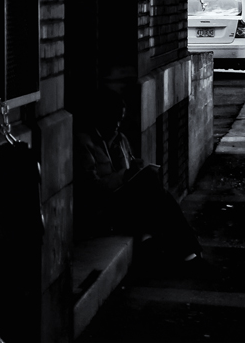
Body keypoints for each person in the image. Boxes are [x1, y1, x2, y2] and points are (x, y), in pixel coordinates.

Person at [74, 87, 201, 265]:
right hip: (103, 209)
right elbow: (91, 189)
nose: (117, 125)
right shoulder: (84, 143)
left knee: (159, 194)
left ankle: (174, 245)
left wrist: (133, 167)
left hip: (125, 202)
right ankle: (186, 248)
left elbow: (129, 170)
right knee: (156, 192)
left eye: (120, 120)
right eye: (114, 119)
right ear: (102, 117)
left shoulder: (120, 140)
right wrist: (125, 175)